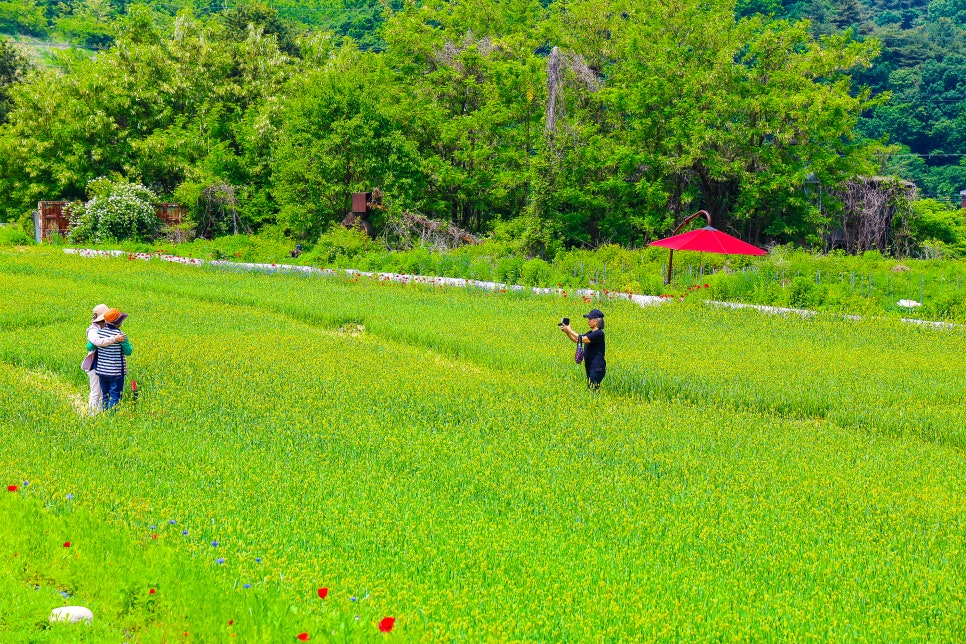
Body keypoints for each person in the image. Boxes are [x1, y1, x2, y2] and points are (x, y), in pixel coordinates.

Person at [83, 304, 126, 415]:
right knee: (96, 392)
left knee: (103, 393)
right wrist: (114, 339)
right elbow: (96, 342)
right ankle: (92, 415)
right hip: (94, 365)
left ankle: (102, 415)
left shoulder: (104, 329)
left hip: (103, 366)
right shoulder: (93, 330)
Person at [92, 308, 133, 410]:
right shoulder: (121, 336)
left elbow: (90, 346)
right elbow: (128, 352)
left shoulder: (99, 333)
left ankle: (105, 414)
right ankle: (112, 417)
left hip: (101, 371)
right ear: (119, 323)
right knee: (115, 396)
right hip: (116, 372)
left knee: (105, 396)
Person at [561, 308, 606, 391]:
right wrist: (567, 331)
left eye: (590, 319)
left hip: (597, 368)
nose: (588, 321)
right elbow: (577, 340)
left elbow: (582, 339)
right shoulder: (590, 333)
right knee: (592, 390)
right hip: (590, 367)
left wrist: (569, 329)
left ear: (596, 321)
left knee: (593, 391)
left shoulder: (599, 334)